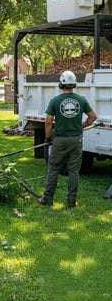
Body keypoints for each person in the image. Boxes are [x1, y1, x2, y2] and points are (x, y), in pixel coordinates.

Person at [38, 70, 97, 208]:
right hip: (76, 140)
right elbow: (93, 116)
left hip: (60, 140)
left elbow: (48, 121)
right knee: (74, 171)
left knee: (53, 169)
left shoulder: (55, 101)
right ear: (74, 84)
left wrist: (47, 138)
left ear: (61, 84)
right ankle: (71, 201)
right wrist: (82, 126)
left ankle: (47, 198)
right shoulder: (81, 100)